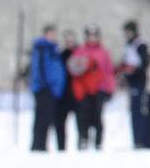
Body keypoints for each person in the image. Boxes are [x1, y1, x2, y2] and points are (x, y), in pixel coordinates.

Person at [70, 25, 116, 150]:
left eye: (94, 36)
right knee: (83, 115)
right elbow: (74, 69)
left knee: (97, 115)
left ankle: (98, 142)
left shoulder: (103, 53)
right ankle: (83, 138)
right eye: (89, 36)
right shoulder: (80, 51)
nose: (92, 38)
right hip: (83, 90)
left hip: (99, 89)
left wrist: (110, 89)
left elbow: (109, 72)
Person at [28, 24, 67, 152]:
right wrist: (47, 85)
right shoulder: (42, 48)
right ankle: (38, 146)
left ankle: (41, 145)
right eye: (51, 34)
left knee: (46, 118)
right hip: (45, 89)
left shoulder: (53, 49)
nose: (53, 36)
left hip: (52, 89)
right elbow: (41, 69)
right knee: (42, 118)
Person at [118, 20, 150, 148]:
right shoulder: (129, 44)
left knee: (140, 110)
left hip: (139, 81)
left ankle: (141, 139)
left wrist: (134, 70)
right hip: (132, 81)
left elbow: (144, 63)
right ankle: (136, 138)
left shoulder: (140, 44)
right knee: (134, 110)